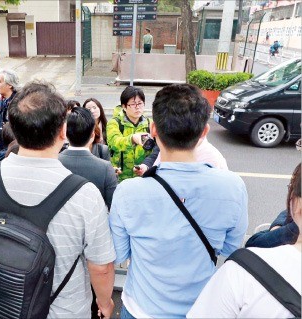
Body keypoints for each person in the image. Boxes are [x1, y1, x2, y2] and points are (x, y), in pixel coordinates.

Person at [0, 81, 117, 318]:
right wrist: (105, 303)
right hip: (61, 311)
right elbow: (101, 266)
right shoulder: (84, 194)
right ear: (63, 132)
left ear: (13, 126)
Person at [109, 84, 248, 318]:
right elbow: (230, 248)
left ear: (153, 129)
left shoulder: (127, 192)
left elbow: (120, 254)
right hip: (201, 308)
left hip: (141, 309)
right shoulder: (233, 187)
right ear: (204, 132)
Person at [188, 163, 301, 318]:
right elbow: (231, 243)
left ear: (297, 204)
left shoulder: (242, 271)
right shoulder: (230, 181)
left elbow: (245, 244)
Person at [59, 107, 118, 209]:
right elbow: (112, 206)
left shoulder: (55, 162)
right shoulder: (105, 168)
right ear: (92, 135)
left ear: (65, 134)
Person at [107, 86, 155, 181]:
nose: (137, 107)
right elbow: (114, 142)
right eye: (133, 104)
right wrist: (132, 138)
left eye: (140, 103)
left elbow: (157, 150)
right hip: (120, 178)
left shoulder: (150, 123)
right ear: (124, 107)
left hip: (143, 177)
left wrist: (146, 165)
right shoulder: (115, 123)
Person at [0, 69, 21, 161]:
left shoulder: (19, 103)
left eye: (0, 81)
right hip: (2, 145)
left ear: (10, 84)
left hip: (13, 148)